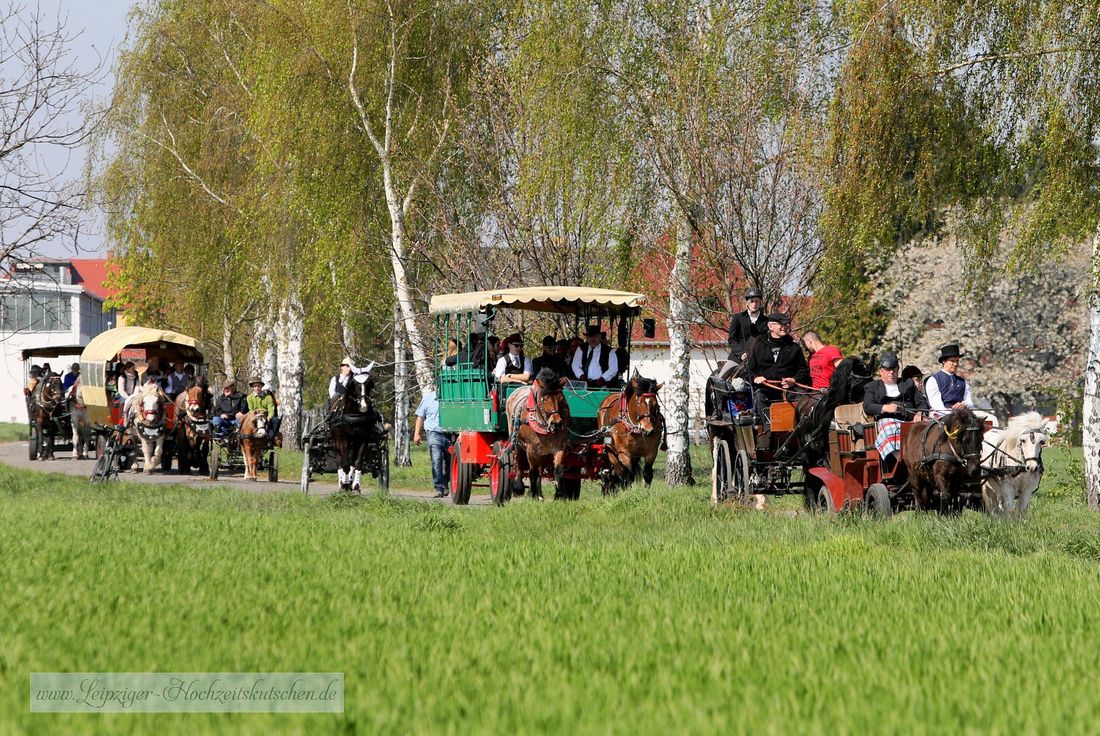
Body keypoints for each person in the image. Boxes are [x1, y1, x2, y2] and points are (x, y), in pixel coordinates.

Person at [863, 352, 929, 471]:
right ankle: (901, 460)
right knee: (890, 427)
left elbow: (922, 403)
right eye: (887, 370)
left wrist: (920, 413)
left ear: (898, 369)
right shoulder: (872, 387)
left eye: (894, 369)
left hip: (910, 421)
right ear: (881, 371)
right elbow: (868, 406)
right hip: (886, 422)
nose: (891, 373)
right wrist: (885, 408)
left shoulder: (907, 384)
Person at [745, 313, 809, 422]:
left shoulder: (794, 348)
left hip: (789, 390)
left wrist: (793, 380)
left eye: (787, 324)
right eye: (781, 324)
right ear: (771, 327)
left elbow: (803, 371)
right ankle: (769, 430)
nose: (785, 327)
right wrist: (755, 378)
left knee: (804, 399)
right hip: (765, 390)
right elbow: (749, 371)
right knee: (760, 397)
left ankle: (800, 431)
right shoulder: (758, 346)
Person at [413, 385, 450, 498]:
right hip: (434, 433)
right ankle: (438, 487)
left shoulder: (451, 397)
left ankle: (445, 482)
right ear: (435, 386)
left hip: (450, 433)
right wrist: (416, 434)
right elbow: (420, 416)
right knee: (436, 460)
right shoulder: (428, 398)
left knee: (450, 461)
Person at [925, 343, 973, 418]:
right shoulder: (933, 380)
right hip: (941, 417)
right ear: (944, 361)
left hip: (961, 416)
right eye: (952, 361)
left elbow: (970, 402)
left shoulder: (963, 382)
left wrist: (964, 404)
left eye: (957, 361)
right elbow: (937, 405)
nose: (955, 364)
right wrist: (951, 415)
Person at [727, 287, 768, 361]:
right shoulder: (737, 318)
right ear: (747, 303)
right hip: (738, 357)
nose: (754, 304)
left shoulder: (766, 320)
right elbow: (732, 339)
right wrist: (741, 353)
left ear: (760, 303)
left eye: (757, 301)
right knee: (724, 372)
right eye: (751, 301)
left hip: (759, 358)